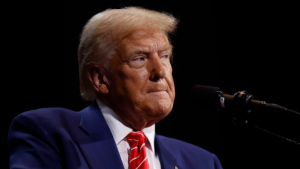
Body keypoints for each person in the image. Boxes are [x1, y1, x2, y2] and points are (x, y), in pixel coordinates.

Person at [8, 7, 223, 169]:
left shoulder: (202, 162)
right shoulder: (49, 133)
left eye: (165, 56)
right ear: (100, 78)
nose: (160, 71)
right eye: (140, 58)